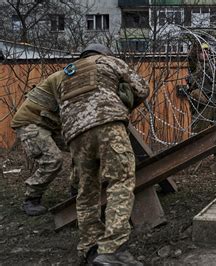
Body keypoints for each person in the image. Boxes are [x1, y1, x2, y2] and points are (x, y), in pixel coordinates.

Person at [53, 43, 149, 265]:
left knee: (86, 190)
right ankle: (113, 249)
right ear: (103, 53)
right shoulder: (108, 61)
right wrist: (125, 104)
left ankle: (90, 249)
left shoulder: (66, 73)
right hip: (107, 124)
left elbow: (61, 108)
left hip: (75, 134)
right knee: (120, 180)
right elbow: (141, 88)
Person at [11, 72, 78, 216]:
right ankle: (31, 199)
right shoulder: (68, 76)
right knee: (52, 160)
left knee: (82, 149)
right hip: (31, 122)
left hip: (49, 124)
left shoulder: (78, 76)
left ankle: (77, 189)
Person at [187, 42, 216, 135]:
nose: (205, 54)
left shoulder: (213, 64)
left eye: (207, 51)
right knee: (199, 133)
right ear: (198, 53)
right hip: (203, 104)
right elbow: (191, 57)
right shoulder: (194, 66)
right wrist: (196, 44)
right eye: (202, 52)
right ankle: (198, 149)